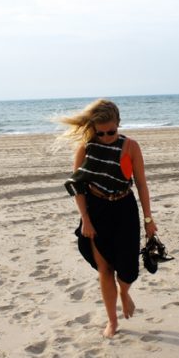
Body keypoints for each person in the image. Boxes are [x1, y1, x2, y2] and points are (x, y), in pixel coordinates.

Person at [57, 99, 157, 338]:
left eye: (111, 131)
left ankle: (125, 292)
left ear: (119, 124)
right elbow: (78, 186)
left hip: (124, 208)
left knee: (128, 269)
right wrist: (86, 220)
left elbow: (141, 184)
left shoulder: (131, 147)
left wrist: (148, 219)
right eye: (100, 133)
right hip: (96, 209)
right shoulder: (86, 148)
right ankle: (112, 321)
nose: (106, 136)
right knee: (104, 269)